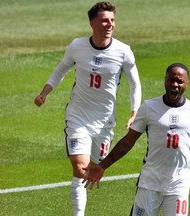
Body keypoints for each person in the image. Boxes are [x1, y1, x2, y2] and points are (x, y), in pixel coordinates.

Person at [82, 63, 190, 216]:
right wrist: (102, 166)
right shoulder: (148, 107)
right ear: (165, 80)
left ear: (186, 83)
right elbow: (127, 142)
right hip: (149, 183)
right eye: (171, 80)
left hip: (178, 185)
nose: (175, 85)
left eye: (179, 81)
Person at [34, 2, 141, 216]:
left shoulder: (123, 52)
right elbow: (60, 70)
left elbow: (135, 84)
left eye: (112, 20)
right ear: (92, 23)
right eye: (104, 20)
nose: (109, 24)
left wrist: (134, 113)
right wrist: (45, 92)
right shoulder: (77, 46)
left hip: (104, 122)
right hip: (78, 117)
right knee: (80, 168)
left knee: (93, 169)